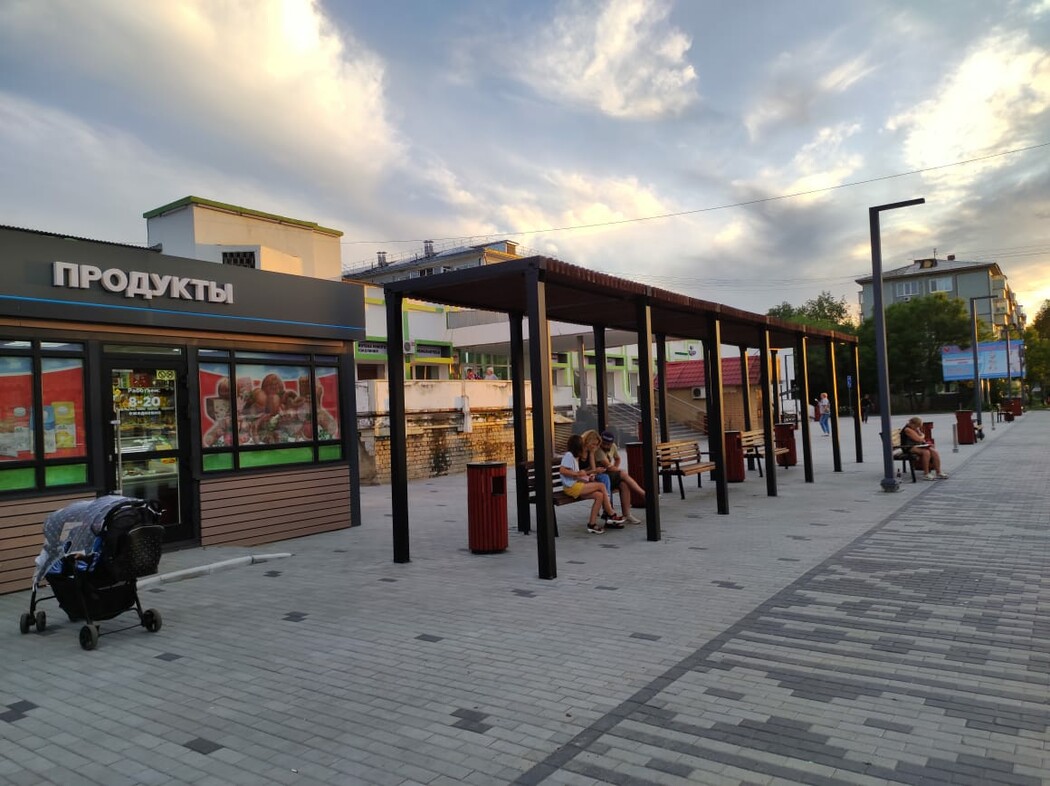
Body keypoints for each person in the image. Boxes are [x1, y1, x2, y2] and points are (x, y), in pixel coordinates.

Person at [560, 434, 625, 533]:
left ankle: (592, 524)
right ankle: (611, 513)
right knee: (601, 485)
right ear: (577, 446)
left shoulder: (574, 457)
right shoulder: (569, 455)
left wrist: (587, 477)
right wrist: (578, 473)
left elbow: (577, 475)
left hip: (576, 485)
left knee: (599, 496)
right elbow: (562, 470)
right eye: (582, 445)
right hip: (571, 487)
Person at [591, 429, 646, 525]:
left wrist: (615, 468)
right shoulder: (598, 450)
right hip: (599, 477)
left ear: (612, 443)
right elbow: (608, 466)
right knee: (623, 473)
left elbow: (618, 459)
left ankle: (627, 514)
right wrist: (617, 470)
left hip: (608, 475)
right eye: (604, 443)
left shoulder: (613, 446)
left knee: (624, 484)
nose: (606, 446)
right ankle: (643, 494)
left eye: (608, 444)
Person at [901, 416, 948, 480]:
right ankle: (926, 473)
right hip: (908, 447)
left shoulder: (914, 428)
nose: (917, 428)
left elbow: (921, 439)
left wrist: (920, 435)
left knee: (934, 452)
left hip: (916, 446)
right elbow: (919, 439)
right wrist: (922, 435)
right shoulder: (907, 429)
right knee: (926, 452)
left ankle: (938, 472)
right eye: (917, 426)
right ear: (912, 424)